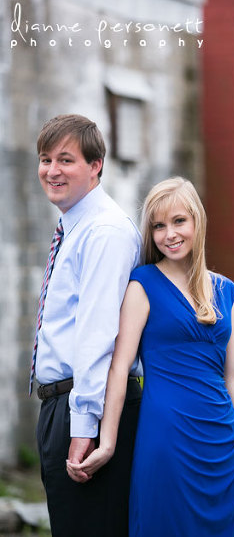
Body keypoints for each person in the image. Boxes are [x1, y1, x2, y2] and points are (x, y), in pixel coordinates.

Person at [67, 177, 234, 535]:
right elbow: (119, 367)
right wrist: (107, 442)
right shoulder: (143, 284)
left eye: (178, 221)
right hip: (166, 438)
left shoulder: (225, 290)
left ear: (197, 222)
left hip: (223, 444)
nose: (169, 234)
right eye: (158, 225)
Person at [32, 114, 143, 536]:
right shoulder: (74, 227)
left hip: (87, 407)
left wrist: (83, 427)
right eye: (45, 160)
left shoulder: (104, 232)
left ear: (96, 165)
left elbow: (99, 338)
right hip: (64, 405)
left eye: (66, 159)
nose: (52, 171)